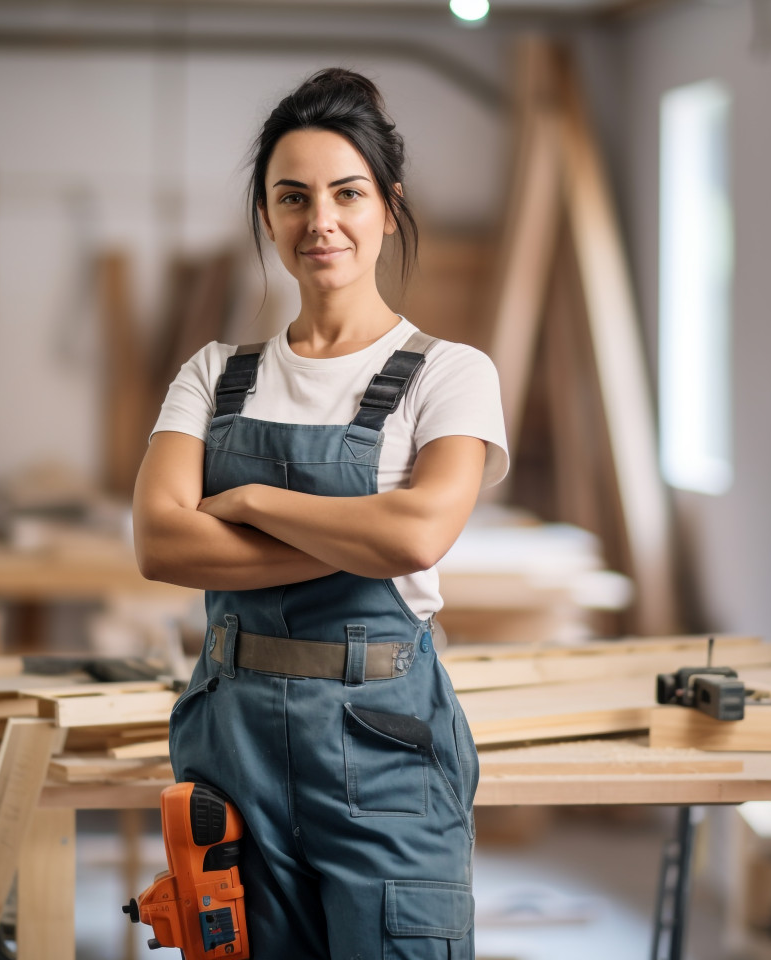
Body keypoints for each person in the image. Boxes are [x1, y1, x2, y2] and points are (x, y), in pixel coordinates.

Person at [132, 67, 508, 960]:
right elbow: (158, 539)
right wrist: (355, 531)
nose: (320, 222)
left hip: (383, 743)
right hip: (233, 742)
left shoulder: (450, 375)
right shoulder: (215, 372)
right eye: (291, 197)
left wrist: (255, 501)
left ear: (388, 205)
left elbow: (417, 535)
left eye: (347, 193)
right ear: (267, 215)